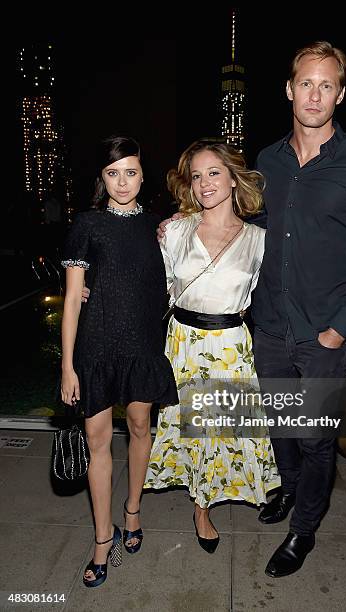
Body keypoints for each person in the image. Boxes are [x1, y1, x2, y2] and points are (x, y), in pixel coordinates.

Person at [158, 41, 346, 577]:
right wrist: (179, 223)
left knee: (315, 438)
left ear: (340, 94)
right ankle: (286, 492)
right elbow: (241, 223)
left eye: (326, 85)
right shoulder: (268, 161)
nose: (314, 94)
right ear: (289, 90)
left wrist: (340, 328)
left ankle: (303, 531)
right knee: (279, 427)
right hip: (265, 329)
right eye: (305, 83)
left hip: (324, 334)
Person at [144, 140, 280, 553]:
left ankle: (206, 501)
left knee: (219, 434)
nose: (205, 183)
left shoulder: (259, 239)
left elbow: (283, 288)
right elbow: (155, 287)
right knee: (189, 430)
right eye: (197, 175)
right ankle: (200, 507)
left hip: (229, 345)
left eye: (214, 173)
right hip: (182, 344)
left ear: (234, 177)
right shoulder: (176, 230)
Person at [61, 135, 178, 587]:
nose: (123, 181)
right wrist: (67, 365)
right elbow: (72, 299)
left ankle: (133, 511)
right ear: (102, 177)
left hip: (142, 348)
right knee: (97, 442)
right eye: (113, 173)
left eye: (131, 171)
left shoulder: (159, 228)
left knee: (140, 429)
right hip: (95, 347)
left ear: (143, 175)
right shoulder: (86, 224)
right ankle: (101, 539)